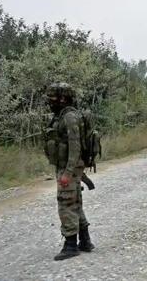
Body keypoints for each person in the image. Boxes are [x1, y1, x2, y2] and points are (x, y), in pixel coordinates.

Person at [44, 82, 95, 260]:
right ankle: (85, 241)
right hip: (70, 167)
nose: (50, 101)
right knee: (75, 204)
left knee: (66, 204)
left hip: (69, 168)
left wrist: (67, 172)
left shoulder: (70, 117)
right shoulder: (63, 115)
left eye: (53, 98)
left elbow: (75, 148)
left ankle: (71, 245)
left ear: (63, 98)